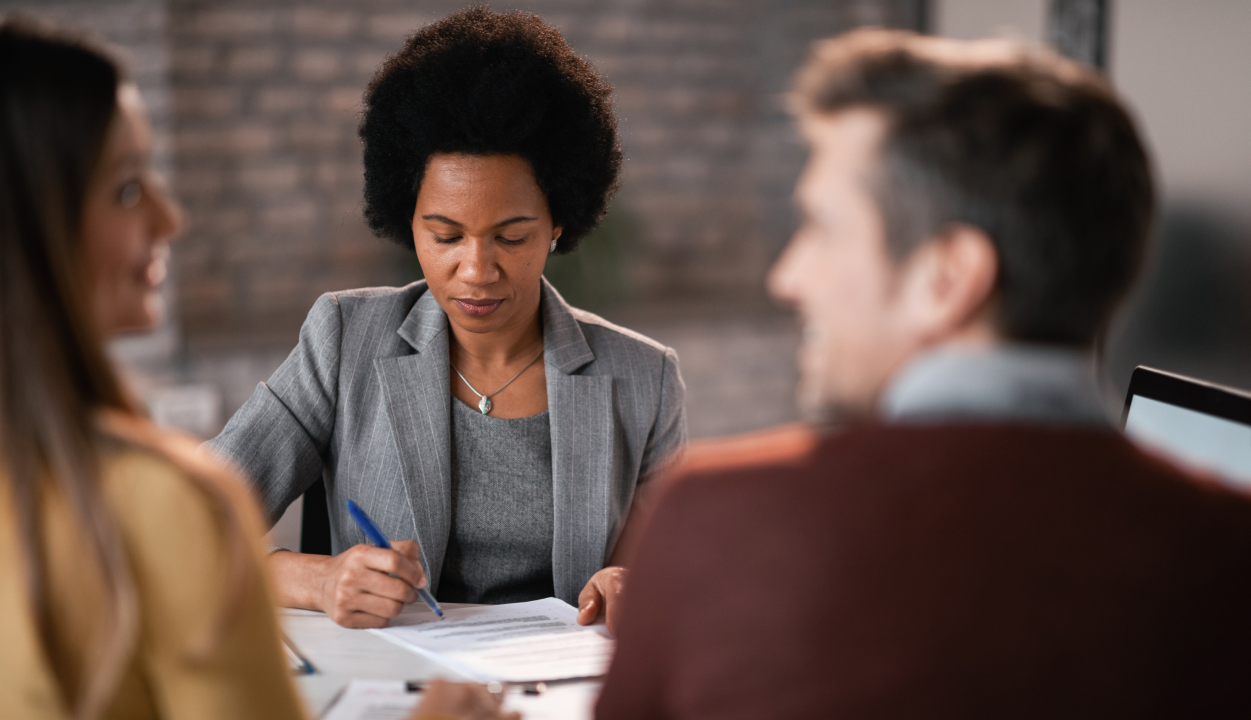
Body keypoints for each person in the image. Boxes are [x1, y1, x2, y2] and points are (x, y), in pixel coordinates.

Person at [597, 29, 1251, 718]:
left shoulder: (719, 521)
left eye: (821, 228)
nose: (787, 275)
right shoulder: (1229, 549)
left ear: (945, 278)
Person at [0, 17, 513, 720]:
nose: (169, 217)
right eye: (125, 189)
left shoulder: (641, 376)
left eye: (510, 235)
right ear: (32, 226)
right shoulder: (171, 501)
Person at [206, 7, 686, 631]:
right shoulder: (344, 341)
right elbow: (189, 526)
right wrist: (316, 578)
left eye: (511, 238)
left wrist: (631, 586)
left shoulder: (644, 381)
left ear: (559, 223)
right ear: (409, 221)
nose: (477, 269)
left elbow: (668, 580)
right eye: (446, 235)